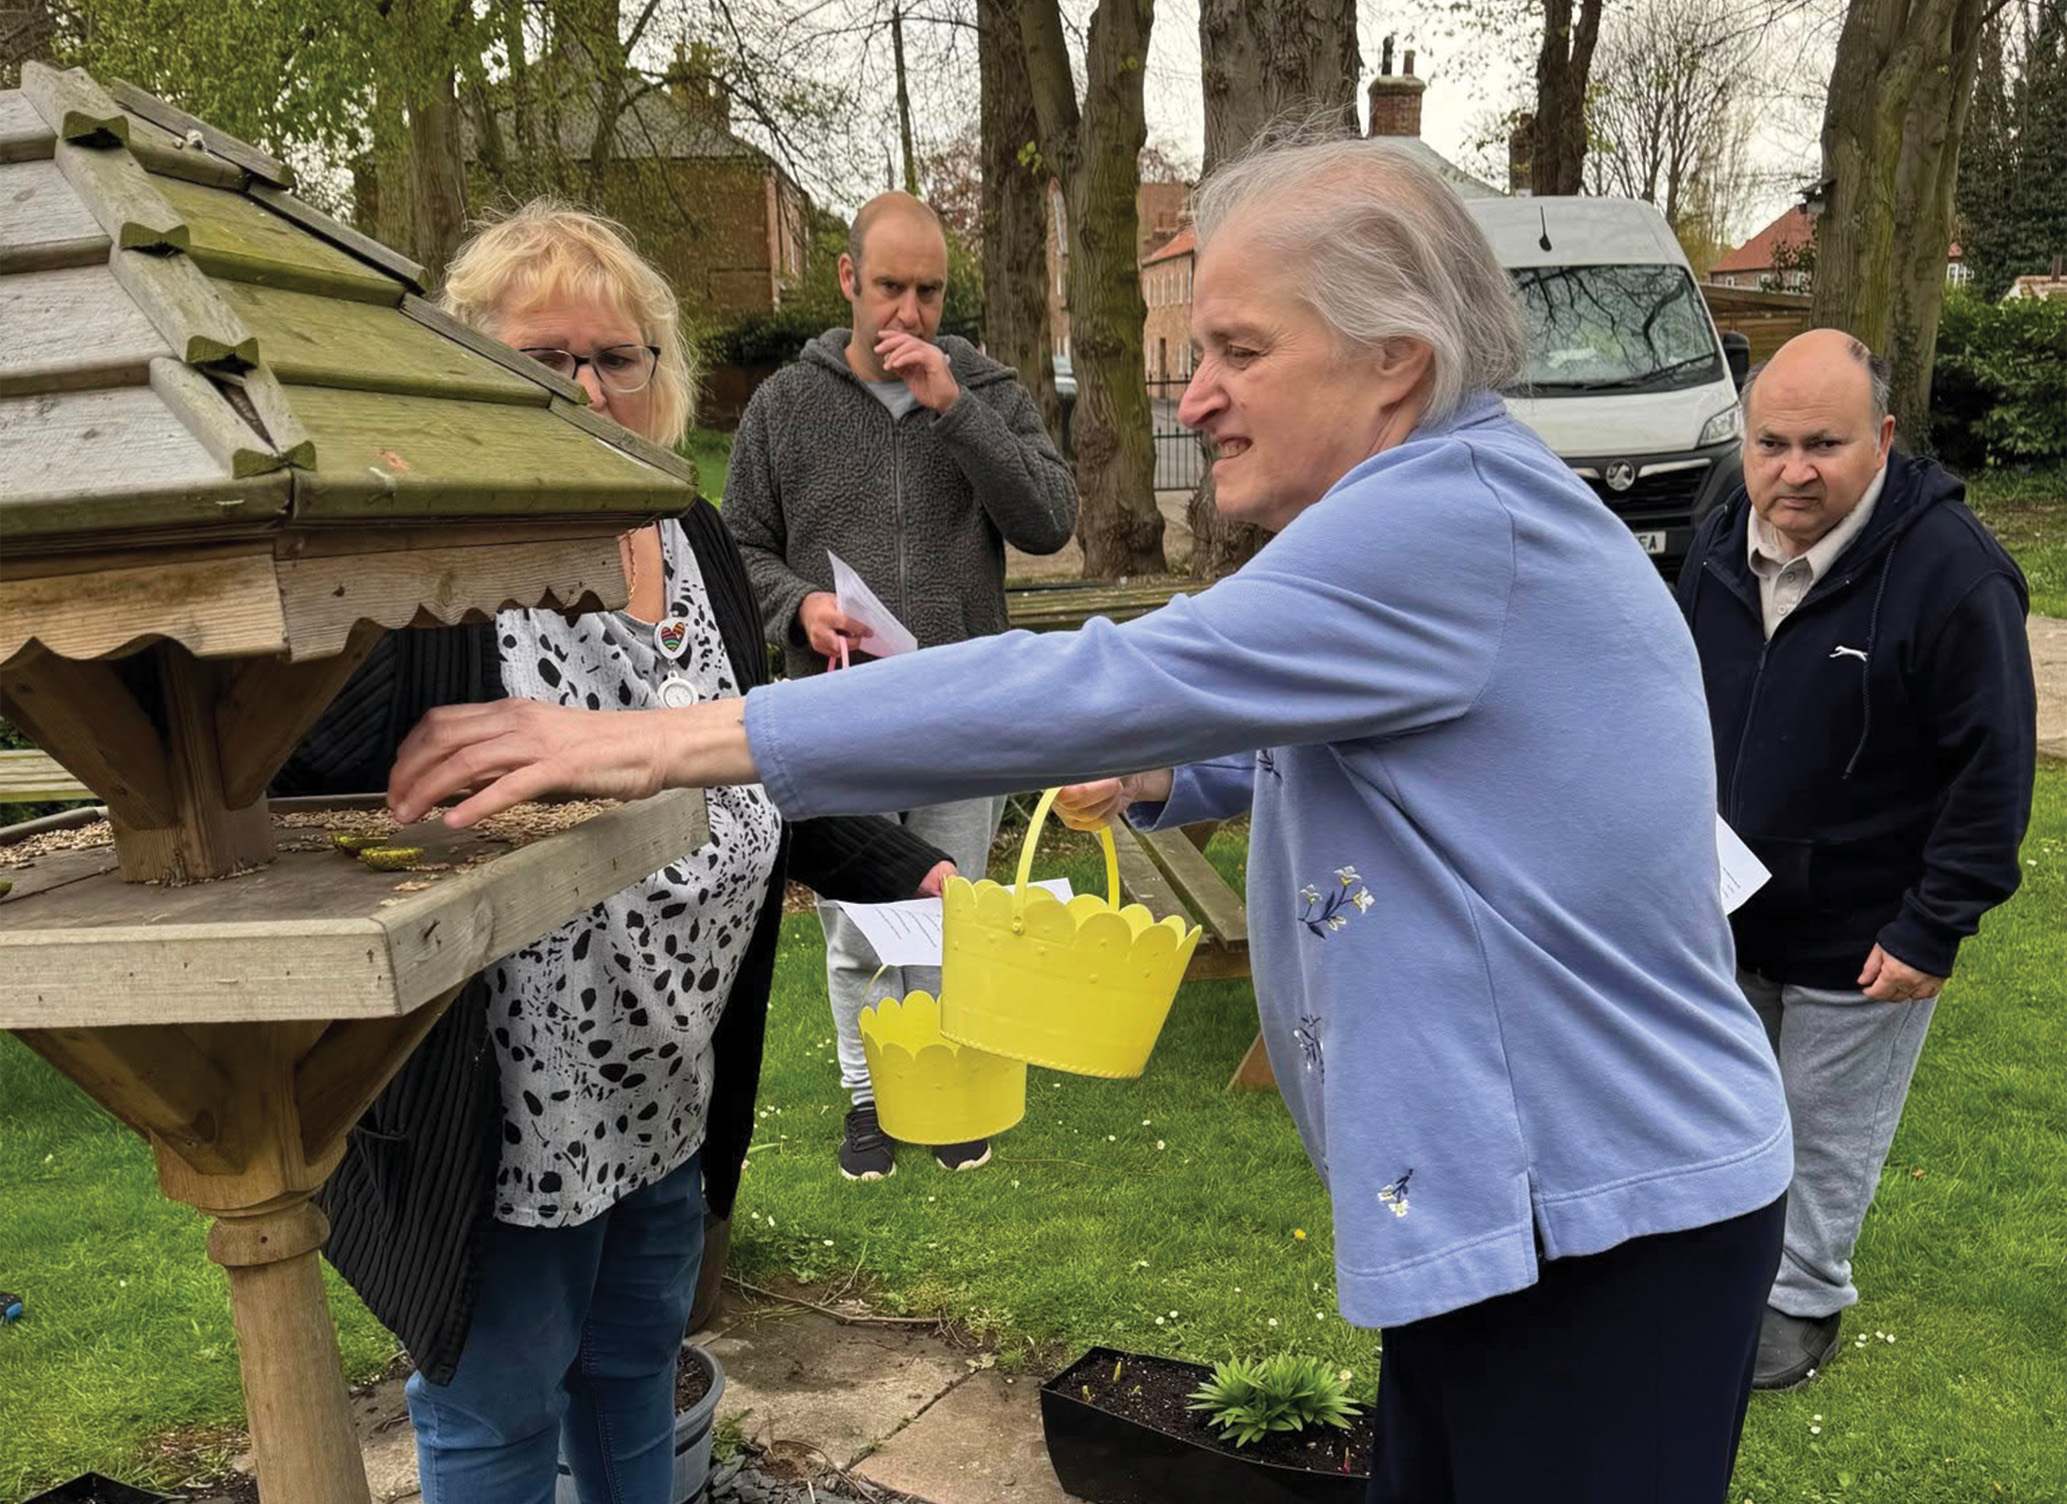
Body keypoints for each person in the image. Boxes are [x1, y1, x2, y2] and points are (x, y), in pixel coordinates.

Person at [384, 138, 1797, 1504]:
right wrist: (1169, 778)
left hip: (1605, 1217)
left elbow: (1102, 680)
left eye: (1239, 349)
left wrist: (652, 743)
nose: (1196, 395)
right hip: (1534, 1206)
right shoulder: (1448, 505)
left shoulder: (1444, 520)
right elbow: (1373, 740)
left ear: (1395, 363)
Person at [273, 200, 952, 1504]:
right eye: (542, 357)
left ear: (659, 375)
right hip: (497, 1102)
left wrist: (912, 871)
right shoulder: (434, 553)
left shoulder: (689, 534)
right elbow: (310, 772)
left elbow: (740, 754)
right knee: (497, 1414)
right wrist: (379, 554)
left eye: (615, 357)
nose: (585, 387)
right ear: (467, 368)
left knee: (638, 1372)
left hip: (666, 1083)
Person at [1674, 329, 2037, 1390]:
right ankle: (1723, 1274)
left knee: (1826, 1129)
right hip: (1724, 904)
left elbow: (1994, 767)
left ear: (1880, 439)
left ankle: (1801, 1298)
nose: (1793, 472)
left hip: (1867, 928)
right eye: (1770, 444)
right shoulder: (1717, 538)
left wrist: (1933, 925)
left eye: (1822, 445)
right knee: (1727, 1105)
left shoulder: (1955, 574)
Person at [722, 190, 1079, 1181]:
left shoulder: (986, 389)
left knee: (951, 915)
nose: (909, 313)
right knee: (860, 928)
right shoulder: (784, 406)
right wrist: (797, 604)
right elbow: (737, 545)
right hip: (843, 707)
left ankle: (947, 1092)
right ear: (848, 279)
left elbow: (1048, 519)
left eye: (929, 292)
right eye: (890, 288)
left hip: (964, 704)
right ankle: (871, 1101)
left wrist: (958, 413)